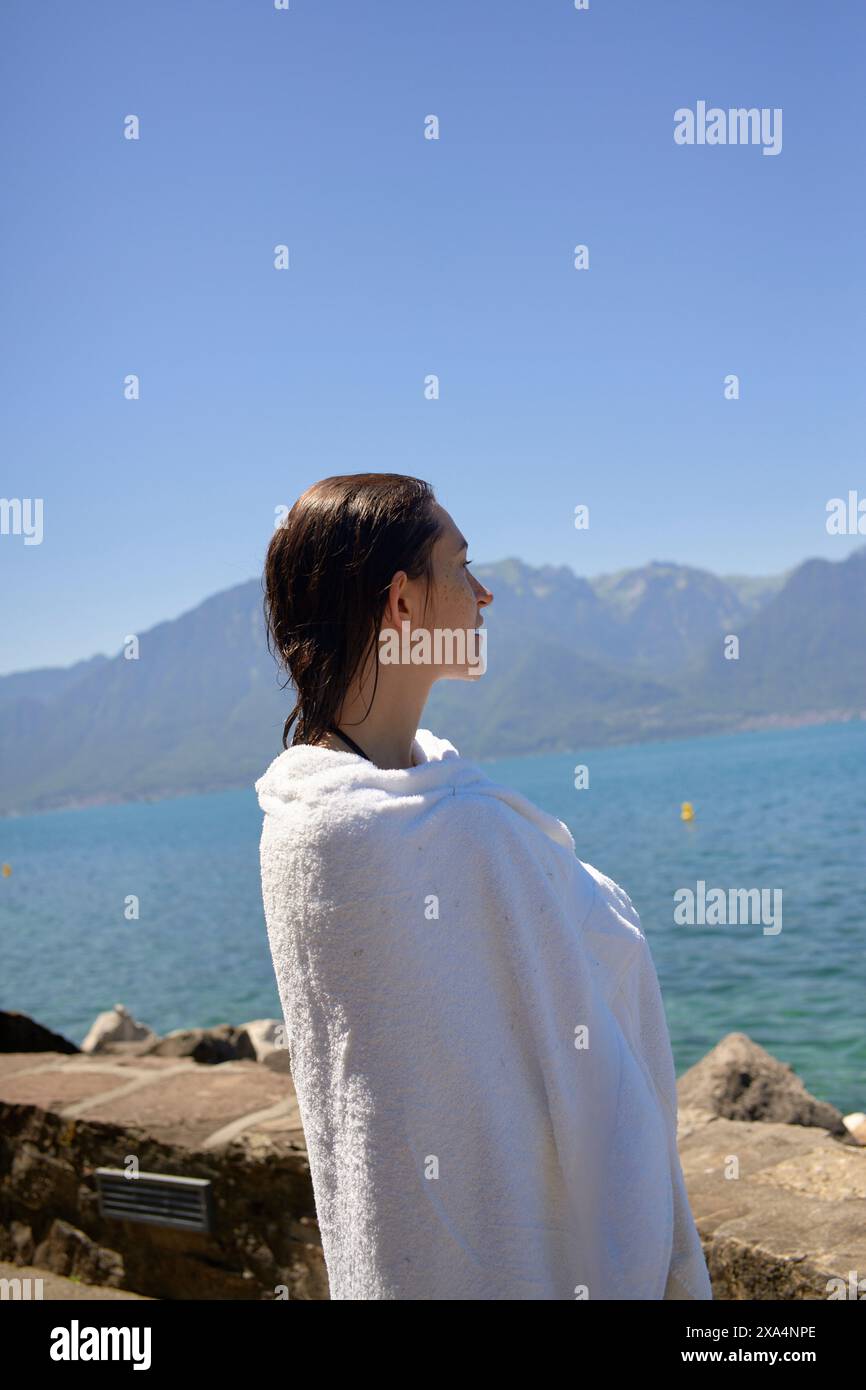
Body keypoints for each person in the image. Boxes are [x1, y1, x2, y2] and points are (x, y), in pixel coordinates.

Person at [256, 472, 712, 1301]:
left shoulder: (304, 816)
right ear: (403, 606)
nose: (485, 592)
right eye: (462, 566)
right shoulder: (456, 829)